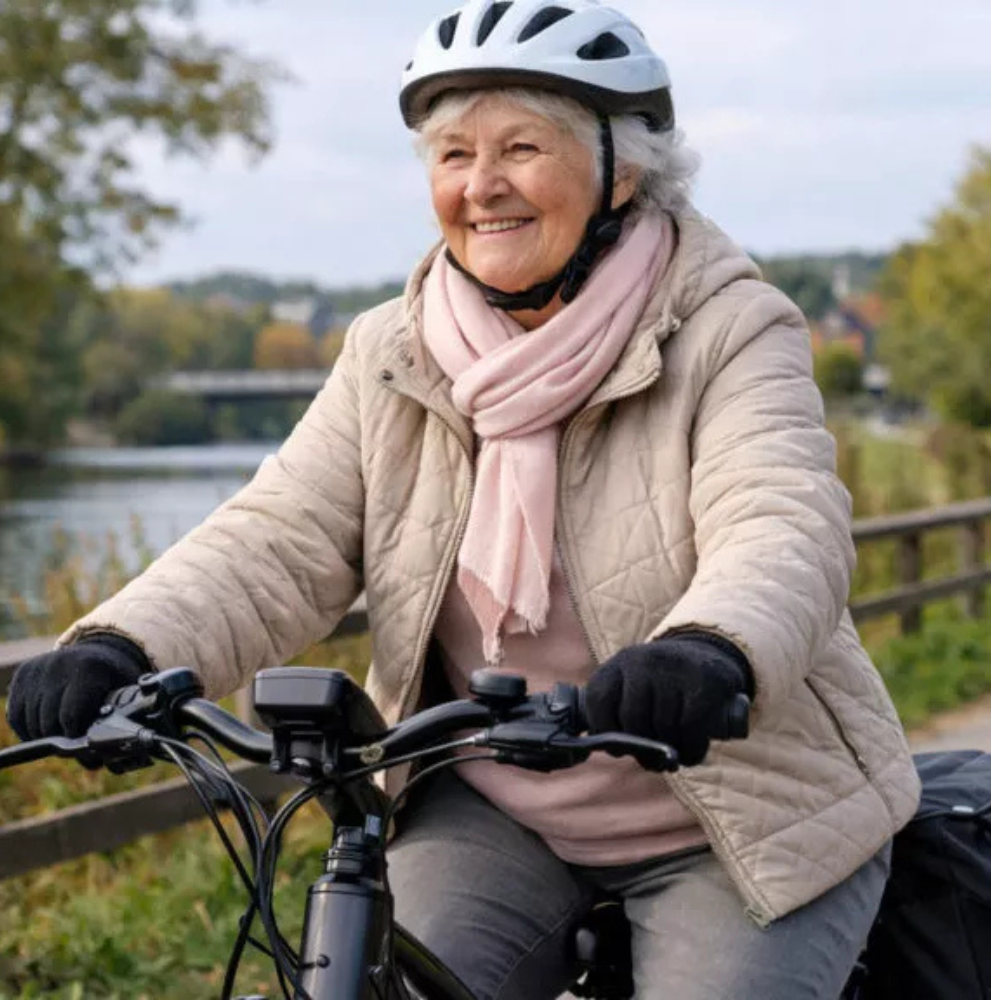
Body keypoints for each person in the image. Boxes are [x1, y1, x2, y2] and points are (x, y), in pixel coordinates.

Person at [7, 1, 920, 997]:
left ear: (621, 169)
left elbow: (780, 521)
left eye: (521, 147)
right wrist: (120, 645)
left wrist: (709, 647)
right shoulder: (392, 351)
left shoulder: (730, 328)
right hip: (491, 805)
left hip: (734, 816)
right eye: (450, 154)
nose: (481, 187)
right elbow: (279, 538)